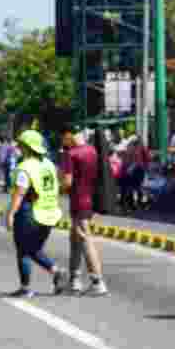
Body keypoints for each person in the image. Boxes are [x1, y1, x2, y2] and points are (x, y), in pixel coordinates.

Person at [4, 130, 65, 298]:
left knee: (23, 250)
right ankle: (57, 272)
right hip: (50, 212)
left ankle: (25, 288)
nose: (18, 148)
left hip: (29, 213)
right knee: (34, 248)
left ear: (26, 147)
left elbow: (20, 193)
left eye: (20, 145)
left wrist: (10, 214)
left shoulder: (24, 168)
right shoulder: (49, 164)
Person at [60, 126, 108, 296]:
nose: (63, 141)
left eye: (64, 137)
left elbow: (67, 182)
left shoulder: (70, 154)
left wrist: (57, 188)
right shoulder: (92, 151)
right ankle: (74, 280)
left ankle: (97, 280)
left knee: (84, 237)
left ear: (70, 136)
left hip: (77, 200)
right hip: (88, 198)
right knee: (74, 239)